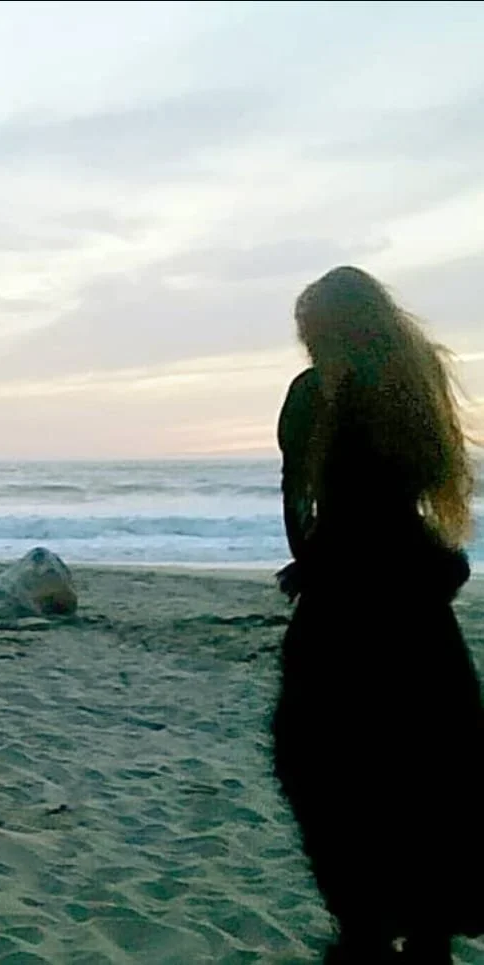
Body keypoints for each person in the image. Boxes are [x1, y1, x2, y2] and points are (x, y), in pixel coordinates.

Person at [270, 266, 483, 963]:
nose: (307, 349)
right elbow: (391, 506)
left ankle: (367, 927)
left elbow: (331, 508)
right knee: (424, 768)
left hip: (354, 610)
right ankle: (422, 930)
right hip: (415, 609)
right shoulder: (408, 387)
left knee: (327, 762)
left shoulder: (340, 397)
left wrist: (313, 561)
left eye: (311, 334)